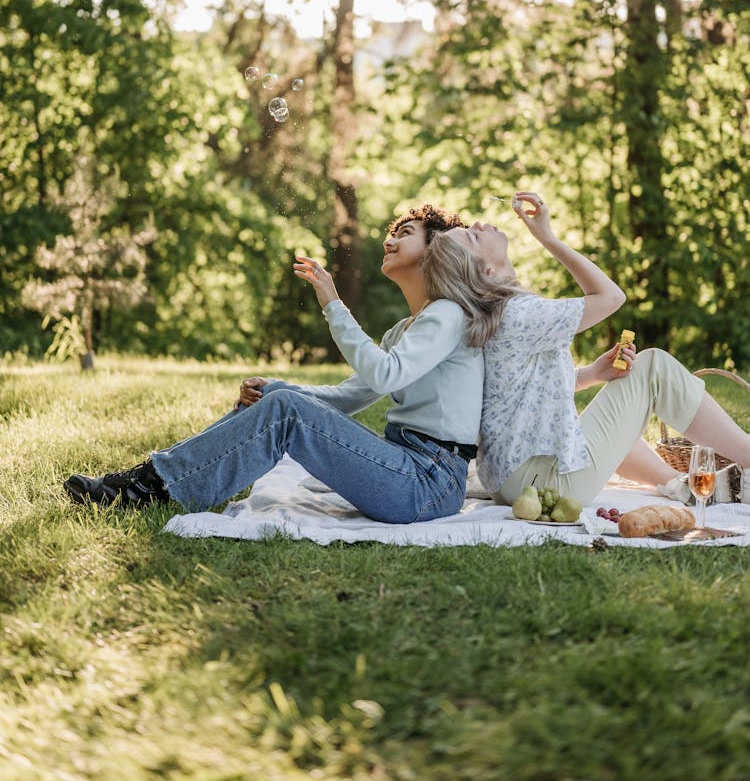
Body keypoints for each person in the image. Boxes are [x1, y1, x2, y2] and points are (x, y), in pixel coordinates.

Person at [63, 205, 484, 524]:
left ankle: (153, 487)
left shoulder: (447, 313)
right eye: (392, 233)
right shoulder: (404, 329)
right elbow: (350, 396)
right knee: (279, 399)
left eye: (405, 233)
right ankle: (156, 477)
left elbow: (384, 375)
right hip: (405, 464)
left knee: (286, 408)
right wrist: (279, 387)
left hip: (428, 482)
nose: (389, 241)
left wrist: (333, 305)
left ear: (436, 249)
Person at [421, 191, 750, 506]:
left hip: (515, 481)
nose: (477, 225)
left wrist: (591, 374)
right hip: (548, 483)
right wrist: (547, 238)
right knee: (654, 367)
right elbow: (612, 298)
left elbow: (521, 397)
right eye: (473, 237)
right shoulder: (517, 313)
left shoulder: (489, 317)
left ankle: (681, 487)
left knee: (593, 418)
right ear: (487, 271)